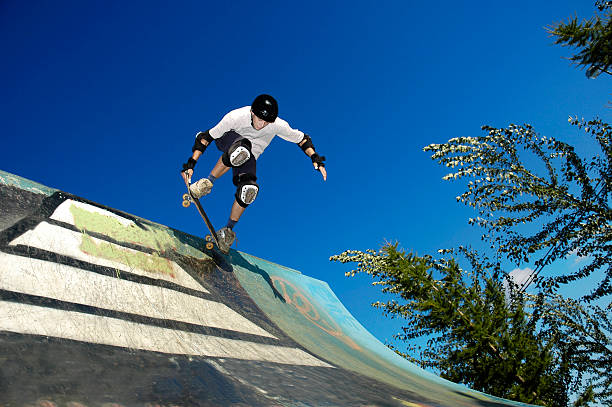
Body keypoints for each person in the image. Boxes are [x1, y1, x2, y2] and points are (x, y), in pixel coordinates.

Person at [181, 94, 327, 253]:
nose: (262, 125)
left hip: (248, 156)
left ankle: (227, 230)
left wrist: (315, 157)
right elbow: (205, 138)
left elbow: (302, 139)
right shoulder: (236, 117)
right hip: (227, 140)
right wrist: (191, 164)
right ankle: (206, 183)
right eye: (260, 119)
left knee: (249, 190)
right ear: (252, 112)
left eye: (267, 122)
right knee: (241, 148)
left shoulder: (278, 125)